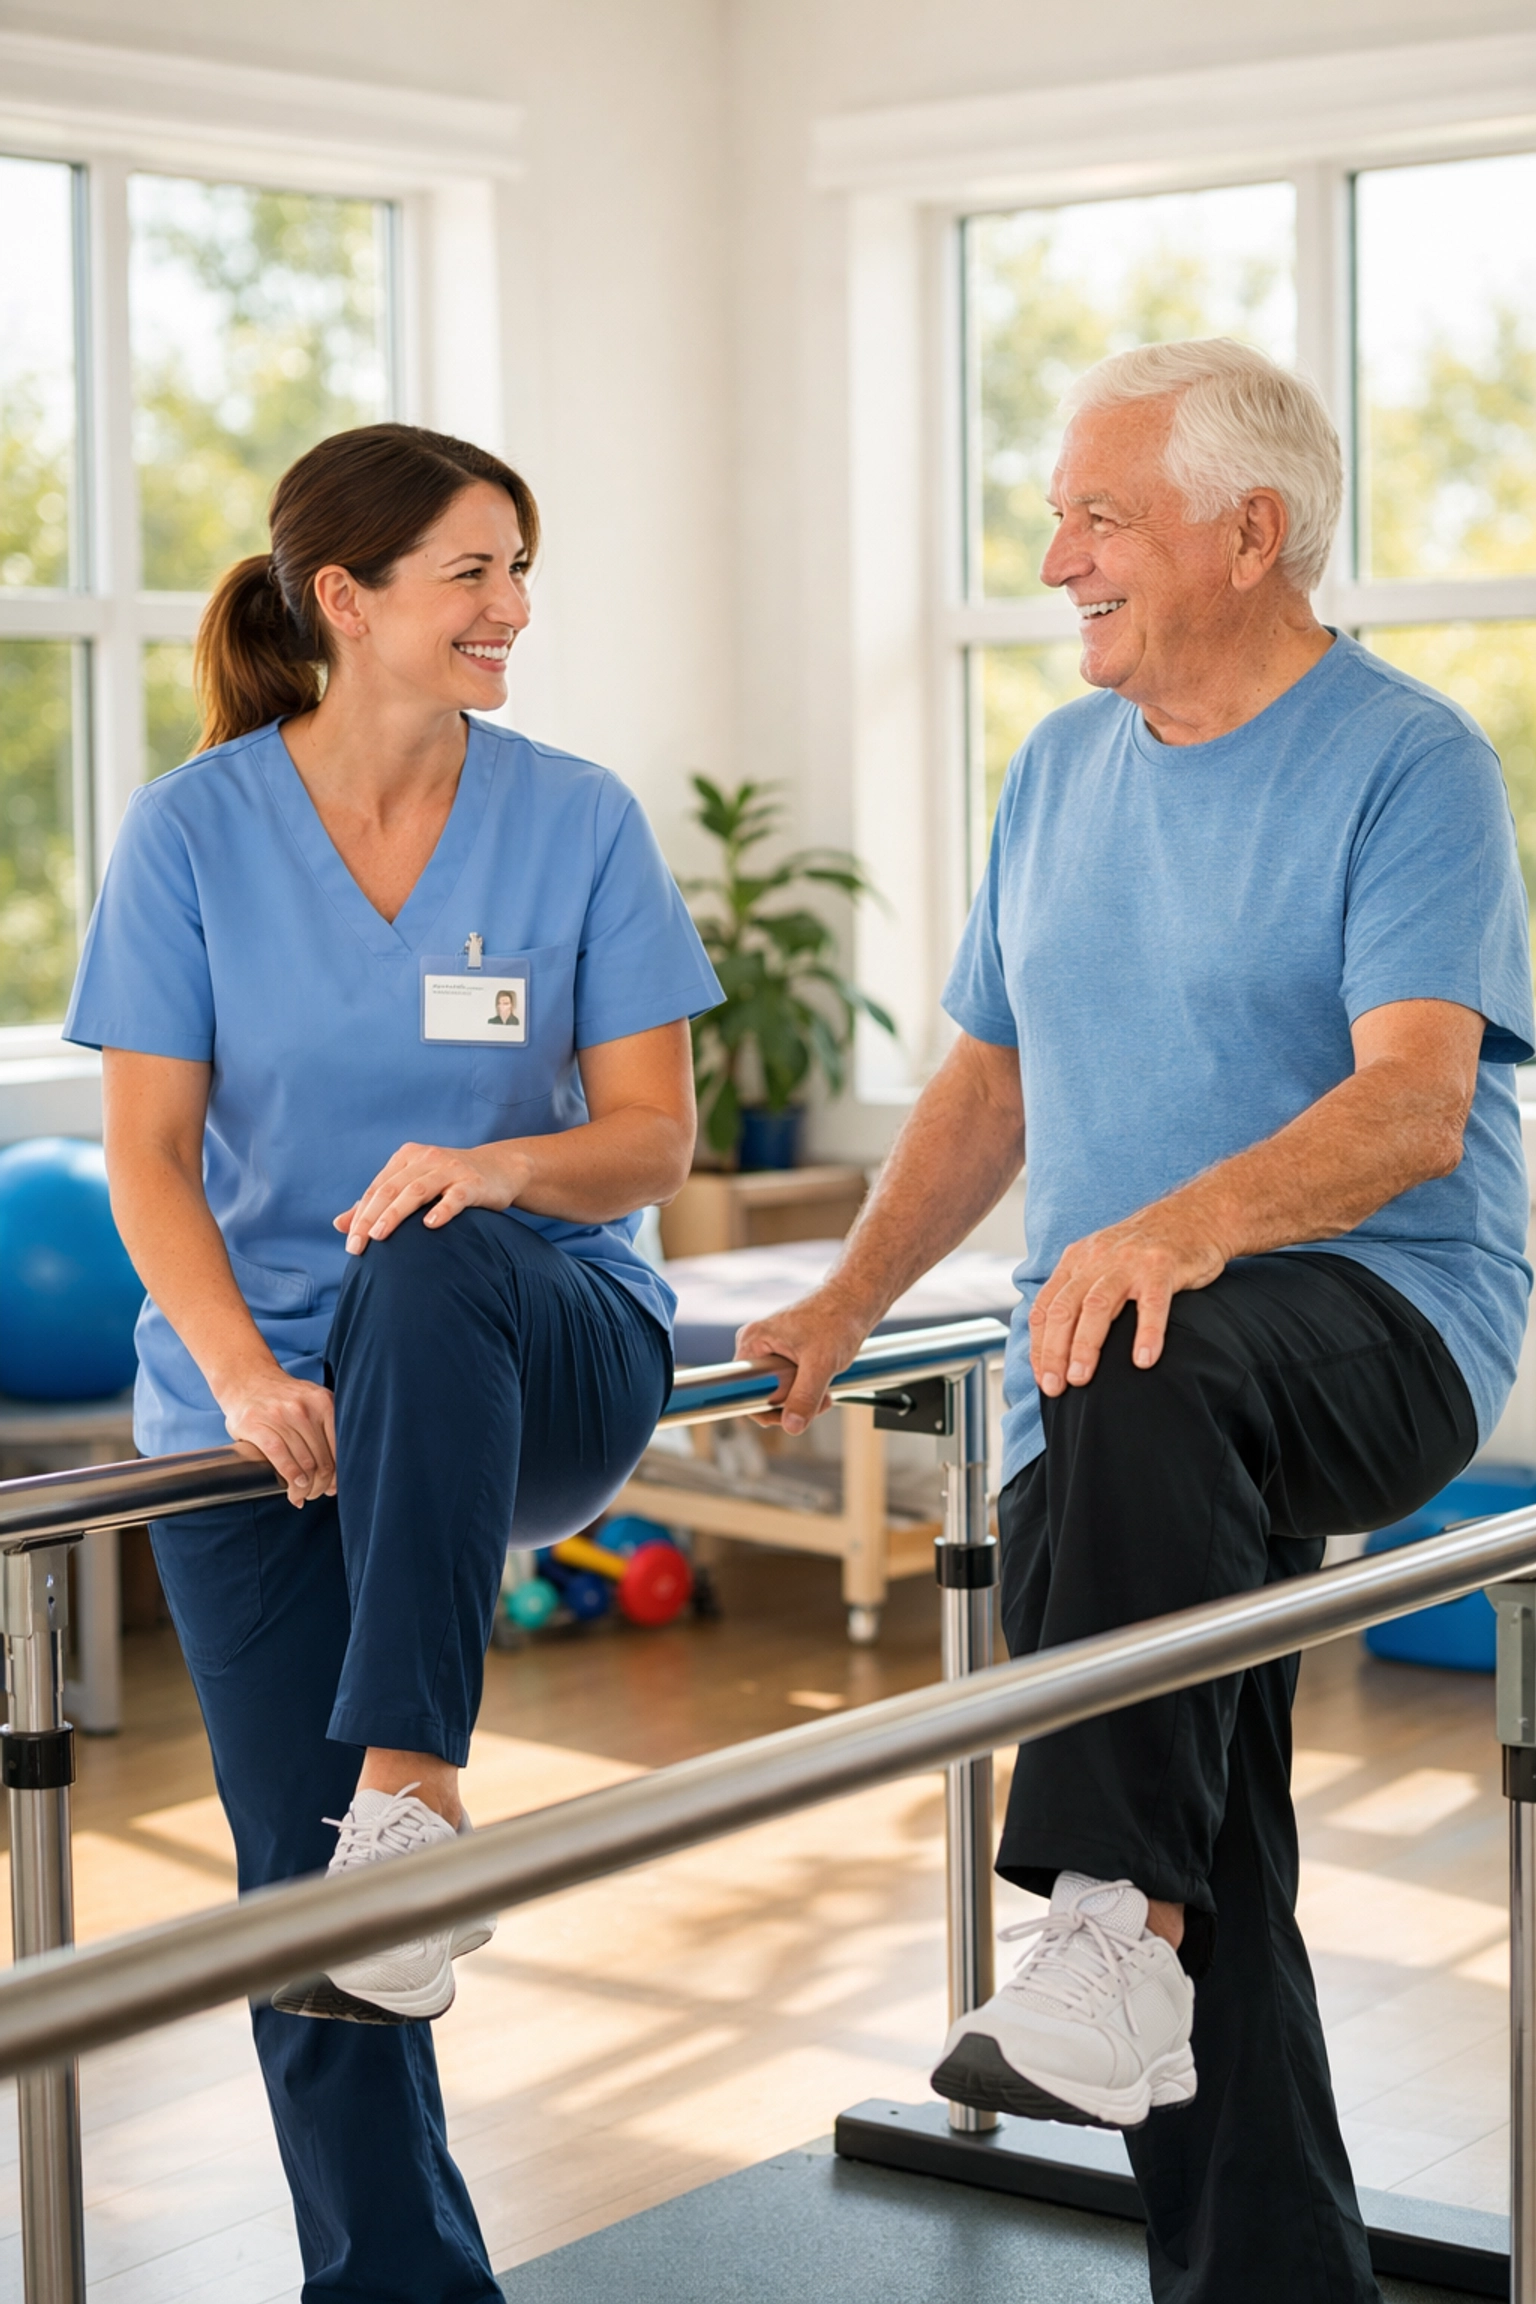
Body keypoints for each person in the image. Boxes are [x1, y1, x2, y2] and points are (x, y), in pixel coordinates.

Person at [735, 339, 1533, 2304]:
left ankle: (1097, 1919)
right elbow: (989, 1093)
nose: (1058, 555)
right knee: (1209, 1891)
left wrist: (1174, 1235)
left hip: (1380, 1320)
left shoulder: (1408, 757)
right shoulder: (1056, 767)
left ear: (1249, 533)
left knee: (1136, 1851)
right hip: (1103, 1402)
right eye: (1058, 513)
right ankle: (1253, 2241)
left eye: (1102, 512)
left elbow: (1415, 1102)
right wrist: (842, 1298)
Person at [63, 422, 722, 2304]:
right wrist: (244, 1380)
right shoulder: (196, 830)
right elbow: (148, 1159)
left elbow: (654, 1141)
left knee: (428, 1254)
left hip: (546, 1341)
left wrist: (492, 1165)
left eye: (520, 569)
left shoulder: (573, 815)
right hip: (258, 1406)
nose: (514, 609)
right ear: (344, 600)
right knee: (308, 1904)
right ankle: (400, 2284)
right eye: (472, 573)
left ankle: (420, 1796)